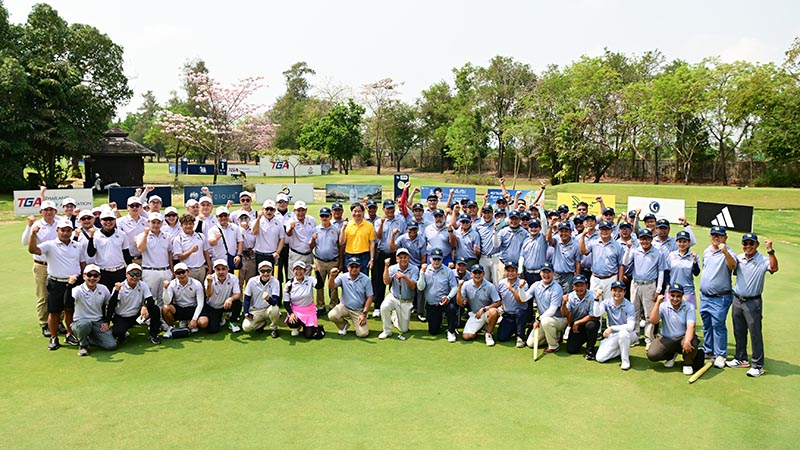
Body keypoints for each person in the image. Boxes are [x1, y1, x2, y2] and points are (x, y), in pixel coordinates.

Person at [28, 218, 85, 350]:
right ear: (57, 231)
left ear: (71, 231)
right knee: (54, 312)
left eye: (68, 230)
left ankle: (70, 334)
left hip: (74, 283)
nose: (65, 233)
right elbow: (33, 250)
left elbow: (82, 263)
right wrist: (33, 235)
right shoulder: (50, 245)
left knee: (70, 310)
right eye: (62, 230)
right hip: (56, 282)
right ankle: (54, 337)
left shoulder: (78, 245)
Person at [727, 233, 779, 377]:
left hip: (753, 302)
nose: (748, 246)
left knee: (755, 333)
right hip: (737, 300)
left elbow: (774, 268)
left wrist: (770, 251)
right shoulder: (739, 258)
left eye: (751, 243)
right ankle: (741, 358)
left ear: (757, 245)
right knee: (739, 331)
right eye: (745, 243)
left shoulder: (763, 259)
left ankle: (758, 365)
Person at [699, 226, 737, 369]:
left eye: (719, 235)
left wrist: (725, 252)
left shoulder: (729, 252)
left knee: (718, 325)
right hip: (705, 296)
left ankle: (720, 355)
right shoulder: (707, 251)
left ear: (725, 238)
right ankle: (709, 350)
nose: (716, 238)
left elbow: (733, 266)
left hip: (720, 297)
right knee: (707, 325)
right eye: (713, 235)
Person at [22, 199, 60, 337]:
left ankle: (58, 321)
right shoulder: (36, 225)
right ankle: (44, 323)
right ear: (41, 212)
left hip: (57, 264)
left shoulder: (61, 223)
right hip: (41, 265)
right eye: (46, 210)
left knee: (58, 294)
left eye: (51, 210)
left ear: (55, 211)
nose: (49, 212)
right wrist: (29, 227)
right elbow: (24, 241)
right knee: (43, 296)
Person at [623, 228, 666, 349]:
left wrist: (658, 289)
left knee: (648, 314)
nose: (644, 241)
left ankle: (648, 338)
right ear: (639, 240)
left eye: (647, 239)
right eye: (642, 239)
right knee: (634, 312)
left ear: (651, 239)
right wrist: (628, 249)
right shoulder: (635, 250)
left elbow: (661, 272)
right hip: (635, 284)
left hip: (649, 285)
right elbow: (625, 262)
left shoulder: (658, 253)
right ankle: (635, 337)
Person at [646, 283, 701, 375]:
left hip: (683, 337)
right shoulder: (663, 305)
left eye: (678, 296)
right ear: (668, 295)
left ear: (682, 295)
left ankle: (687, 363)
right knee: (652, 354)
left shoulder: (689, 306)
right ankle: (670, 356)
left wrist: (687, 340)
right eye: (672, 296)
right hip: (667, 338)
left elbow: (691, 326)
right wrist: (657, 303)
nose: (675, 299)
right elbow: (653, 320)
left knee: (691, 342)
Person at [67, 265, 117, 356]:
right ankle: (83, 345)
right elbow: (67, 303)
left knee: (111, 345)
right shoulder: (77, 290)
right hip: (81, 321)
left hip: (97, 321)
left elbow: (110, 305)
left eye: (95, 275)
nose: (92, 278)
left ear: (99, 277)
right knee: (85, 324)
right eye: (89, 275)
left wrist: (107, 322)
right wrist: (70, 285)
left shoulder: (103, 289)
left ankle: (90, 339)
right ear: (84, 276)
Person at [107, 263, 162, 344]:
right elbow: (112, 305)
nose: (135, 277)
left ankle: (153, 335)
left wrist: (145, 307)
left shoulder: (142, 284)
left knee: (155, 309)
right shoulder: (120, 287)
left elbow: (150, 300)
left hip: (137, 314)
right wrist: (107, 322)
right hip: (123, 316)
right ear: (126, 275)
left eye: (138, 274)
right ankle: (123, 333)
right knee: (118, 333)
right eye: (132, 274)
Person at [593, 281, 637, 370]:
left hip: (629, 334)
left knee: (623, 333)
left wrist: (612, 328)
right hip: (612, 335)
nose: (617, 293)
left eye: (620, 291)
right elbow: (596, 314)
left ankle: (625, 360)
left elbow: (630, 326)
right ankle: (622, 348)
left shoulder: (629, 306)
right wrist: (596, 299)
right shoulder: (606, 302)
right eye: (614, 290)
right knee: (600, 358)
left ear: (624, 292)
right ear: (611, 291)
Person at [372, 199, 406, 317]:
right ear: (383, 209)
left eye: (392, 208)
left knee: (395, 281)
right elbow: (378, 236)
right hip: (382, 253)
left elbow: (403, 238)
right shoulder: (378, 221)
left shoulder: (400, 221)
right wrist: (382, 223)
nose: (390, 211)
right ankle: (378, 306)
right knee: (379, 281)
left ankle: (394, 307)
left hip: (395, 254)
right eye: (388, 208)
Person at [417, 248, 459, 341]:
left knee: (452, 309)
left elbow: (454, 287)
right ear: (430, 259)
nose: (436, 261)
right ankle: (439, 320)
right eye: (434, 259)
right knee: (433, 331)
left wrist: (448, 297)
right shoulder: (425, 270)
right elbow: (420, 287)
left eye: (438, 259)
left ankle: (451, 331)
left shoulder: (448, 271)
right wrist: (422, 273)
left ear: (442, 259)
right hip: (432, 304)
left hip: (445, 302)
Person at [377, 248, 420, 340]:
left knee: (404, 329)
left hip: (406, 300)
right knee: (384, 307)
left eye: (405, 257)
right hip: (394, 296)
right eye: (400, 257)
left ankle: (394, 317)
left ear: (409, 258)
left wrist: (404, 276)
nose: (403, 259)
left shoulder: (414, 269)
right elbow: (386, 282)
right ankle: (387, 331)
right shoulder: (392, 268)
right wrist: (386, 267)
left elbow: (413, 286)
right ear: (397, 259)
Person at [525, 263, 566, 353]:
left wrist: (538, 320)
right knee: (530, 343)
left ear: (553, 273)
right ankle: (555, 336)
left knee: (546, 321)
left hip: (558, 319)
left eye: (549, 272)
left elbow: (552, 310)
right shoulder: (536, 285)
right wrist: (520, 289)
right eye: (544, 272)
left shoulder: (557, 288)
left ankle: (553, 346)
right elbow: (524, 298)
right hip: (543, 320)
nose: (546, 275)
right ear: (540, 273)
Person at [328, 257, 374, 338]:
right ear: (348, 267)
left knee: (363, 334)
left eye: (356, 267)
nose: (354, 269)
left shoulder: (366, 279)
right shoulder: (342, 277)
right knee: (332, 315)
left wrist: (364, 314)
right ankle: (344, 325)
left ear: (360, 267)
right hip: (344, 306)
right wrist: (331, 276)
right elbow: (331, 286)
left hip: (358, 310)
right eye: (352, 266)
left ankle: (359, 322)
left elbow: (369, 297)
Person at [136, 213, 173, 313]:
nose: (156, 225)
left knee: (164, 298)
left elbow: (169, 253)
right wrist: (145, 234)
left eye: (158, 222)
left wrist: (171, 270)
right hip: (150, 271)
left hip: (165, 270)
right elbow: (141, 249)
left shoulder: (167, 236)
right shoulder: (141, 236)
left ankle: (162, 318)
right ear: (148, 222)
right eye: (153, 222)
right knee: (149, 298)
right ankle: (149, 319)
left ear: (162, 223)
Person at [456, 264, 500, 346]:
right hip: (475, 314)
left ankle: (488, 334)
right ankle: (481, 326)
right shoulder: (466, 285)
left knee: (494, 312)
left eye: (479, 273)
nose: (477, 275)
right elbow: (460, 303)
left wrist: (484, 309)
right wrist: (459, 289)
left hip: (487, 313)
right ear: (471, 274)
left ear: (483, 274)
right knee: (466, 336)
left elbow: (498, 302)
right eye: (475, 273)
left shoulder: (490, 286)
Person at [580, 220, 623, 301]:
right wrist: (583, 235)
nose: (604, 231)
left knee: (609, 303)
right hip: (595, 278)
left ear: (611, 230)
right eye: (602, 229)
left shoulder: (618, 245)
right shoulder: (594, 243)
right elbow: (583, 252)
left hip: (610, 278)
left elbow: (620, 265)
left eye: (607, 229)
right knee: (594, 302)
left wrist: (620, 282)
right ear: (598, 230)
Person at [310, 207, 341, 316]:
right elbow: (310, 246)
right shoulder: (315, 229)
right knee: (319, 285)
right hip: (320, 261)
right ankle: (321, 306)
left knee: (333, 285)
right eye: (322, 216)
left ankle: (333, 305)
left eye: (326, 216)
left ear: (330, 217)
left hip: (333, 260)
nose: (324, 218)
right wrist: (313, 239)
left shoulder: (336, 229)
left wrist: (340, 262)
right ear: (320, 217)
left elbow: (339, 246)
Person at [161, 262, 205, 337]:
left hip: (192, 308)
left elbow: (200, 303)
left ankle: (189, 321)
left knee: (203, 323)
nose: (181, 275)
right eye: (178, 273)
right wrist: (165, 289)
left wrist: (194, 319)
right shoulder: (171, 284)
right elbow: (167, 302)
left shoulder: (197, 284)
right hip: (179, 309)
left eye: (183, 272)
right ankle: (171, 328)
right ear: (175, 274)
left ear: (187, 272)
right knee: (165, 308)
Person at [199, 259, 242, 334]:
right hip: (213, 307)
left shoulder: (233, 278)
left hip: (226, 305)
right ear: (214, 270)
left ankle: (233, 322)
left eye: (223, 269)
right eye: (218, 269)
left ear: (227, 269)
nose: (221, 272)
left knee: (237, 303)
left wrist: (230, 299)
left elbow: (237, 294)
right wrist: (209, 284)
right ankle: (220, 316)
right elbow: (208, 295)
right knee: (212, 330)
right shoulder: (209, 279)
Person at [284, 261, 324, 339]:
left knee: (309, 335)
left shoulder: (310, 280)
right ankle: (297, 327)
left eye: (301, 269)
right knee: (292, 322)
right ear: (293, 271)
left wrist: (316, 271)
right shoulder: (289, 284)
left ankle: (311, 327)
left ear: (305, 271)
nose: (298, 272)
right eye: (296, 269)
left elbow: (320, 285)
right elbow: (286, 302)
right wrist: (291, 313)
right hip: (295, 310)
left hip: (309, 311)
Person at [562, 275, 599, 360]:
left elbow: (593, 316)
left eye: (582, 285)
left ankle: (590, 349)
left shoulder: (592, 296)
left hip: (588, 322)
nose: (579, 288)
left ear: (587, 286)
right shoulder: (570, 296)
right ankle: (585, 337)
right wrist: (563, 303)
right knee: (571, 349)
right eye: (577, 286)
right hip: (576, 326)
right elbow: (565, 314)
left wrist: (577, 323)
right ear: (573, 287)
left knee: (592, 325)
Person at [242, 261, 281, 337]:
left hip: (268, 309)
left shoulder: (275, 282)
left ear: (272, 271)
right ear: (259, 271)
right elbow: (246, 299)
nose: (266, 273)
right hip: (256, 310)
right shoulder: (252, 281)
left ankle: (274, 328)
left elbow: (275, 302)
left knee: (275, 309)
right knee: (246, 327)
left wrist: (268, 299)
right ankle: (261, 324)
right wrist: (246, 312)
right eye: (263, 271)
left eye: (268, 271)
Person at [495, 262, 530, 348]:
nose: (510, 273)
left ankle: (520, 337)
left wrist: (512, 289)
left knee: (520, 312)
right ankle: (514, 328)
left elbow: (521, 301)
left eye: (513, 271)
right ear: (505, 271)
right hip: (508, 315)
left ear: (517, 271)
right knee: (501, 337)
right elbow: (499, 298)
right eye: (508, 271)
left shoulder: (523, 283)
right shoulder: (501, 283)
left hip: (520, 314)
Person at [172, 213, 212, 284]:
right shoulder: (178, 239)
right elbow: (180, 257)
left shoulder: (201, 236)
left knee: (202, 288)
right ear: (181, 226)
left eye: (190, 224)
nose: (188, 226)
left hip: (201, 269)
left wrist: (209, 267)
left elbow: (205, 252)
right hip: (188, 271)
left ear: (193, 224)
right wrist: (191, 251)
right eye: (186, 224)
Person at [666, 231, 700, 308]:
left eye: (684, 242)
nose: (682, 244)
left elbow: (696, 273)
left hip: (688, 290)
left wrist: (695, 262)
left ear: (689, 242)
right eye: (680, 241)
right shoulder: (671, 255)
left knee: (689, 312)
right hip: (672, 290)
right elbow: (666, 272)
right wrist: (667, 285)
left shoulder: (693, 255)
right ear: (676, 242)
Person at [252, 200, 286, 273]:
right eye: (267, 209)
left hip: (273, 255)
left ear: (274, 211)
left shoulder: (278, 223)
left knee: (275, 276)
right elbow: (254, 232)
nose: (269, 211)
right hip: (259, 254)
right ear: (263, 210)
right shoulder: (257, 221)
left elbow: (282, 239)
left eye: (271, 209)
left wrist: (278, 252)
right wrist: (258, 218)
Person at [548, 221, 581, 294]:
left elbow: (577, 262)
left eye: (566, 231)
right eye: (561, 231)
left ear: (570, 232)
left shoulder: (575, 245)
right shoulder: (556, 241)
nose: (564, 233)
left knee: (567, 296)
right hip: (556, 275)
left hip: (568, 275)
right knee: (555, 295)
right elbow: (548, 239)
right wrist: (550, 226)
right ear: (558, 232)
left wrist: (577, 277)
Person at [340, 202, 375, 270]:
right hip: (350, 255)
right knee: (349, 275)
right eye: (355, 211)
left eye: (359, 211)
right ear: (351, 212)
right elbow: (341, 242)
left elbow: (372, 243)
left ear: (363, 212)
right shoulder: (347, 225)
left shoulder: (369, 225)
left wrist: (371, 259)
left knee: (363, 275)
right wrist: (343, 228)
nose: (357, 213)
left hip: (364, 255)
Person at [207, 206, 243, 272]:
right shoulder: (213, 230)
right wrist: (216, 239)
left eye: (225, 215)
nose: (223, 218)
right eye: (221, 216)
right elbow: (211, 243)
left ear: (228, 215)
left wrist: (238, 255)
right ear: (217, 217)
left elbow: (240, 241)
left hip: (231, 260)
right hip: (218, 262)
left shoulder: (235, 227)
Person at [285, 200, 316, 273]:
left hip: (309, 254)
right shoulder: (291, 221)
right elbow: (288, 234)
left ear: (306, 210)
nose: (301, 213)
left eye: (303, 210)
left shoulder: (311, 220)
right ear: (294, 211)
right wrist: (291, 228)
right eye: (298, 211)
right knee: (294, 276)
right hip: (296, 254)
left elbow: (314, 234)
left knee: (307, 277)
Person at [117, 196, 148, 265]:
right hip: (126, 258)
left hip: (143, 258)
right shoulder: (120, 222)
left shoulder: (147, 222)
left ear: (141, 207)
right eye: (132, 206)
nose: (134, 208)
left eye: (137, 205)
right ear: (127, 207)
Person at [520, 219, 548, 286]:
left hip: (540, 274)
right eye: (531, 226)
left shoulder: (542, 238)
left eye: (536, 226)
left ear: (540, 228)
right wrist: (520, 270)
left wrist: (540, 211)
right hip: (527, 274)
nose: (533, 229)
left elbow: (544, 225)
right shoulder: (525, 240)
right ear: (528, 228)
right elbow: (522, 256)